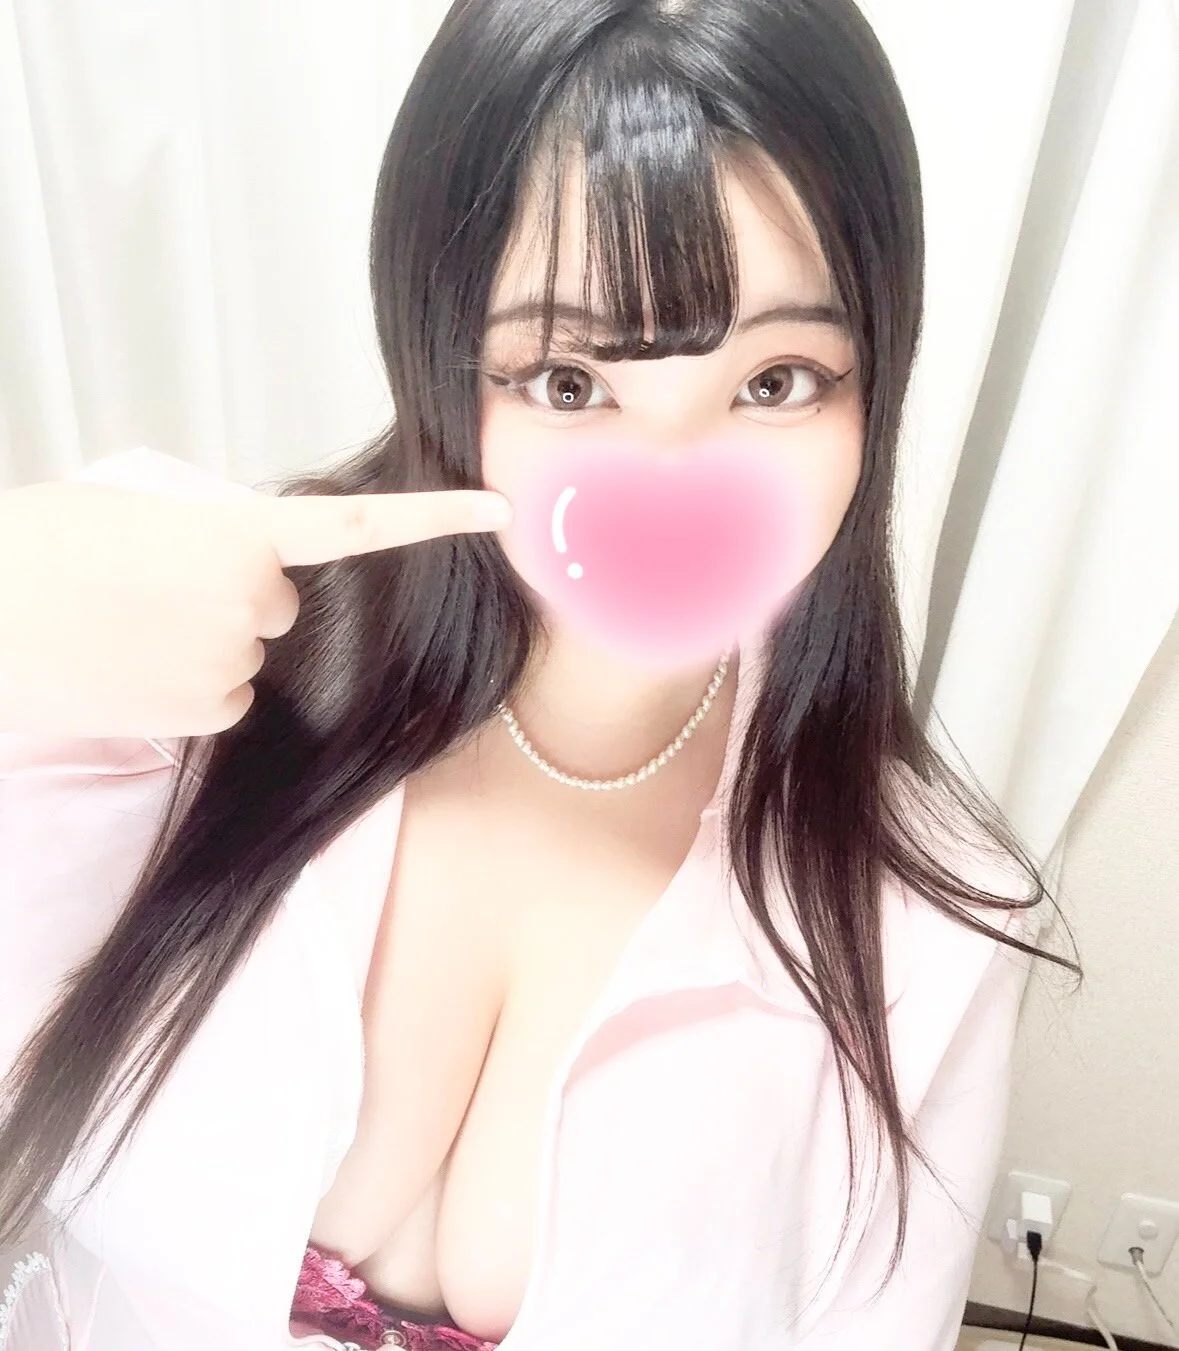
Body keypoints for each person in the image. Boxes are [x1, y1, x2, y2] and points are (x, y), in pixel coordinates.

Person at [0, 1, 1080, 1349]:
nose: (673, 483)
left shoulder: (930, 921)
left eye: (777, 381)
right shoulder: (180, 653)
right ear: (442, 361)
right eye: (570, 381)